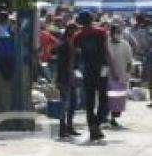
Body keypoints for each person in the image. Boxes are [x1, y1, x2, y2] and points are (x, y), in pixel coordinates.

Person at [72, 11, 110, 141]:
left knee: (89, 100)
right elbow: (106, 50)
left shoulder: (78, 36)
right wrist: (112, 66)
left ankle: (92, 126)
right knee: (104, 98)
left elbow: (75, 53)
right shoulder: (101, 32)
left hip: (87, 70)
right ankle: (97, 124)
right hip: (101, 69)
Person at [53, 24, 81, 139]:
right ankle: (62, 129)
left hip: (68, 77)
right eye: (73, 30)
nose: (74, 33)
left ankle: (68, 127)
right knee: (66, 104)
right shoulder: (65, 44)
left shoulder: (69, 43)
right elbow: (66, 64)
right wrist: (71, 76)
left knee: (72, 103)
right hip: (65, 78)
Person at [107, 23, 133, 128]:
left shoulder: (125, 45)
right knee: (107, 97)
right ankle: (107, 117)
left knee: (118, 98)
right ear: (111, 33)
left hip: (121, 77)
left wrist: (127, 74)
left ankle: (114, 116)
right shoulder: (106, 43)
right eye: (116, 32)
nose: (118, 34)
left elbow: (129, 61)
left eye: (119, 32)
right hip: (108, 76)